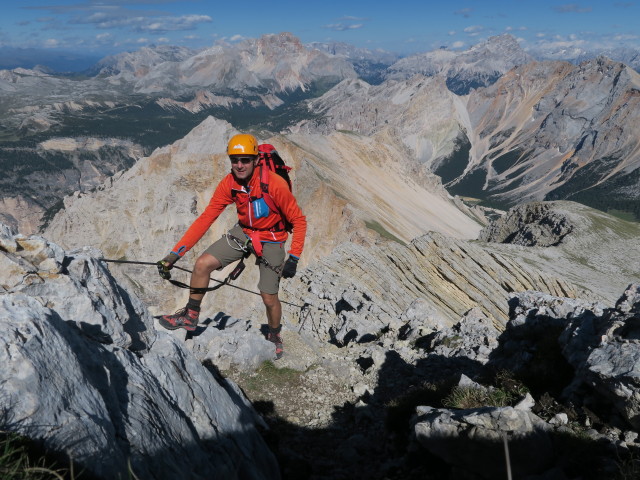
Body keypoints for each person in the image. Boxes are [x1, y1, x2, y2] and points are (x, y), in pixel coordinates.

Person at [156, 133, 307, 359]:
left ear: (256, 160)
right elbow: (206, 219)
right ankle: (190, 315)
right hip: (244, 232)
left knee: (268, 297)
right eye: (235, 160)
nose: (239, 165)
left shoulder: (273, 184)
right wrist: (174, 255)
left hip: (273, 238)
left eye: (245, 159)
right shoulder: (230, 183)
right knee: (202, 264)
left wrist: (293, 257)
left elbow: (298, 220)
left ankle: (274, 335)